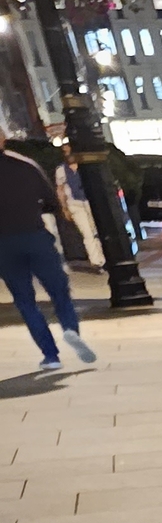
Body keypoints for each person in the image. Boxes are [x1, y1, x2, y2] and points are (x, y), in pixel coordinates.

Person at [0, 140, 94, 369]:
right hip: (35, 236)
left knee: (25, 301)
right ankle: (70, 329)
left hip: (3, 245)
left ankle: (51, 356)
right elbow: (51, 201)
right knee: (59, 290)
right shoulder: (25, 165)